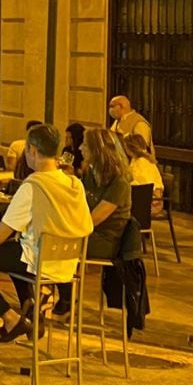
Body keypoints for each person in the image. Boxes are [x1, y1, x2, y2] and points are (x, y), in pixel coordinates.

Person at [0, 124, 93, 342]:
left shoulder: (33, 186)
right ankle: (32, 314)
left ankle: (10, 318)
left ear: (32, 150)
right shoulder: (75, 183)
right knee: (14, 252)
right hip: (68, 264)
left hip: (37, 261)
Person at [50, 126, 132, 318]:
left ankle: (66, 296)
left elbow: (95, 218)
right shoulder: (90, 174)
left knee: (55, 243)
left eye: (85, 145)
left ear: (97, 150)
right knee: (43, 238)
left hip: (106, 239)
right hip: (88, 232)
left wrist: (65, 227)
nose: (79, 149)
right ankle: (61, 295)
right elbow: (78, 204)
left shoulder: (119, 182)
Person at [124, 132, 164, 217]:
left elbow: (144, 186)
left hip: (151, 204)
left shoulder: (142, 162)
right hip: (145, 200)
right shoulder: (136, 160)